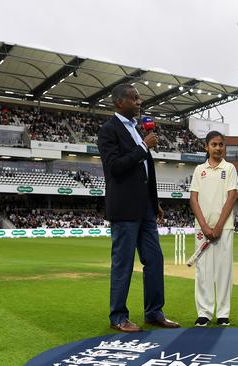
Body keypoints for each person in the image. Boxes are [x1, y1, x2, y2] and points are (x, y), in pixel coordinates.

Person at [97, 83, 180, 333]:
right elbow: (115, 167)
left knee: (154, 259)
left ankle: (154, 313)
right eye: (134, 98)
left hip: (145, 208)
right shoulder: (108, 131)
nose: (139, 101)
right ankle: (118, 317)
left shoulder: (137, 129)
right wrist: (143, 147)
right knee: (123, 263)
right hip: (124, 208)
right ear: (119, 102)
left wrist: (154, 203)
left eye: (139, 98)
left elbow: (146, 173)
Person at [189, 131, 238, 327]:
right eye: (214, 144)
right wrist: (204, 225)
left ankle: (223, 313)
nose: (218, 148)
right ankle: (204, 312)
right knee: (203, 271)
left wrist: (218, 226)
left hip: (224, 228)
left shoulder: (230, 168)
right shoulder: (199, 170)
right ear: (206, 147)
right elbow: (193, 198)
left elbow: (232, 197)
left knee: (224, 271)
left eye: (221, 144)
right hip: (202, 229)